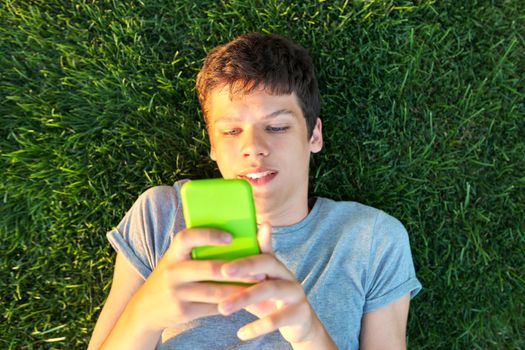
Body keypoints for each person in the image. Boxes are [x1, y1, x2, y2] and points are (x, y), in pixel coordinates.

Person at [88, 32, 422, 350]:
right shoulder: (162, 215)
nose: (253, 147)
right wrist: (144, 315)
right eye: (232, 131)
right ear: (213, 147)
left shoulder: (373, 240)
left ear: (314, 135)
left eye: (276, 127)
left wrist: (309, 333)